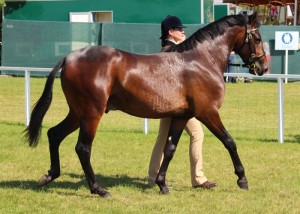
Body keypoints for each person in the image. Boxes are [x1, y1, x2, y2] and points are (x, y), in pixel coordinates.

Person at [147, 15, 217, 189]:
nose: (183, 31)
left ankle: (152, 177)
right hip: (177, 105)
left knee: (163, 138)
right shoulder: (171, 50)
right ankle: (198, 179)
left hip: (169, 103)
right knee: (197, 134)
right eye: (179, 29)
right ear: (171, 32)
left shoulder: (170, 48)